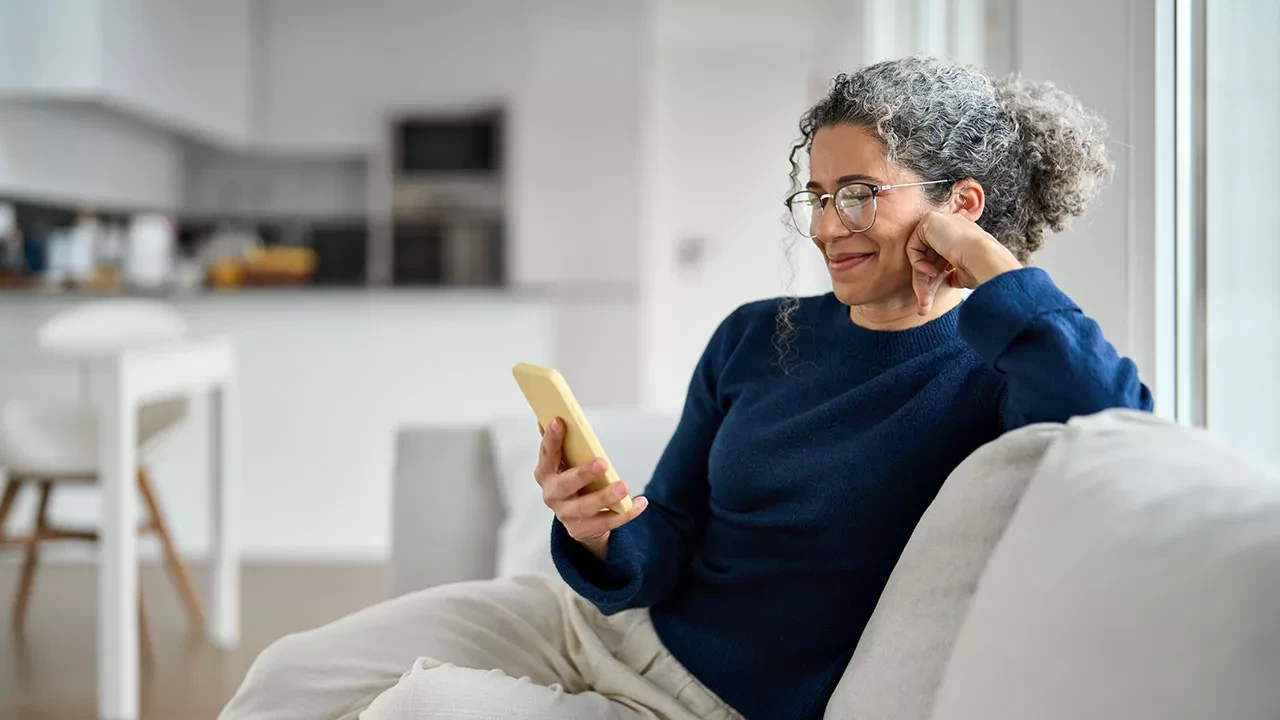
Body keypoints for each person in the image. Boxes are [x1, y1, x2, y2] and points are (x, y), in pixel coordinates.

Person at [221, 56, 1151, 720]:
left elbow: (1115, 426)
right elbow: (662, 544)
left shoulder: (995, 370)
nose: (830, 225)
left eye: (859, 192)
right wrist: (598, 530)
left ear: (960, 204)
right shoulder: (756, 335)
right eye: (818, 196)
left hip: (708, 704)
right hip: (595, 626)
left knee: (418, 709)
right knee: (289, 675)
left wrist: (985, 267)